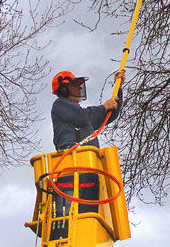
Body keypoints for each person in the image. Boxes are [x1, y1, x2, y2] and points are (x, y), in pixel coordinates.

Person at [50, 69, 126, 240]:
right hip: (71, 173)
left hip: (88, 173)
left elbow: (109, 114)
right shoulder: (61, 105)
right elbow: (85, 116)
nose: (79, 89)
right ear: (64, 88)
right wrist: (104, 106)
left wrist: (119, 87)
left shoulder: (83, 117)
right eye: (75, 85)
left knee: (87, 221)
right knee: (67, 226)